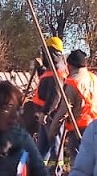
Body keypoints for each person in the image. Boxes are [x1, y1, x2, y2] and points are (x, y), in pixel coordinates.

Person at [50, 48, 97, 164]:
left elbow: (64, 110)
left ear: (70, 65)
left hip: (78, 126)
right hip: (95, 124)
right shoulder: (93, 78)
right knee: (92, 160)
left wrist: (52, 131)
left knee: (78, 162)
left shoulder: (73, 82)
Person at [26, 36, 69, 165]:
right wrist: (40, 70)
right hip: (45, 115)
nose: (42, 55)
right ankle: (41, 169)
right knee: (42, 146)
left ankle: (57, 171)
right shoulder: (53, 68)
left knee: (55, 145)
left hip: (52, 116)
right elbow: (46, 86)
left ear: (51, 53)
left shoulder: (58, 71)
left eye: (44, 52)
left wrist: (45, 113)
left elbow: (55, 96)